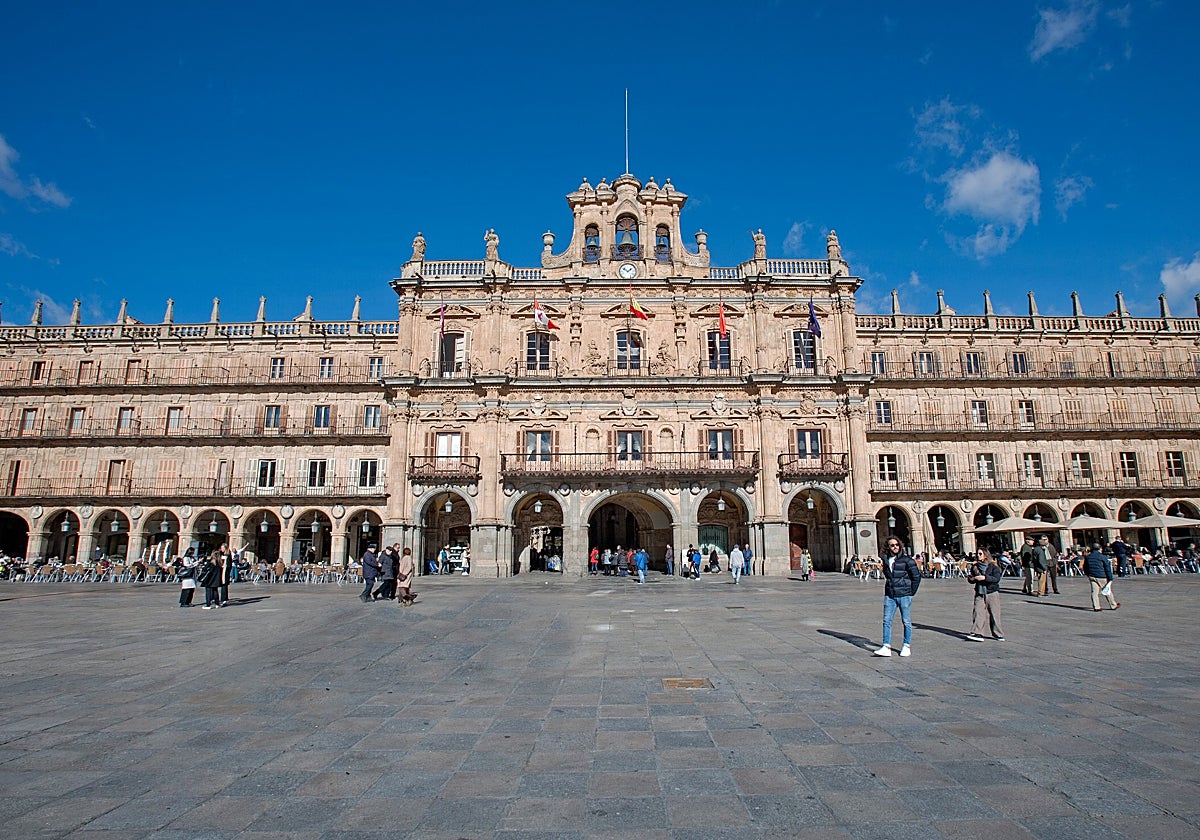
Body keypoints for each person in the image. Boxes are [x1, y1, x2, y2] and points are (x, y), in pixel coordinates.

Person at [873, 536, 921, 657]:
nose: (895, 547)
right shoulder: (886, 559)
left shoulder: (907, 560)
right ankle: (886, 646)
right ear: (888, 547)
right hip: (890, 594)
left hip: (904, 595)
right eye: (892, 545)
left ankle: (906, 645)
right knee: (886, 620)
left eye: (897, 545)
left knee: (906, 621)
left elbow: (916, 577)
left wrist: (910, 592)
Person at [966, 550, 1005, 641]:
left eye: (980, 554)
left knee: (994, 613)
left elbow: (996, 579)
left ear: (986, 555)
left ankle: (998, 634)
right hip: (979, 592)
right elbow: (971, 578)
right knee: (978, 612)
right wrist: (972, 579)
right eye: (977, 554)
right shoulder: (975, 566)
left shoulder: (993, 567)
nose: (978, 556)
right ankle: (977, 633)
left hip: (991, 592)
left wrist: (985, 578)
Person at [1082, 544, 1120, 611]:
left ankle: (1096, 606)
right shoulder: (1102, 557)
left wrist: (1088, 574)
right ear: (1099, 549)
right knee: (1107, 590)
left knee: (1094, 592)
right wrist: (1110, 577)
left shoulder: (1088, 557)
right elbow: (1107, 568)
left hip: (1092, 576)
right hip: (1101, 576)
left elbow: (1085, 567)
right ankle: (1113, 605)